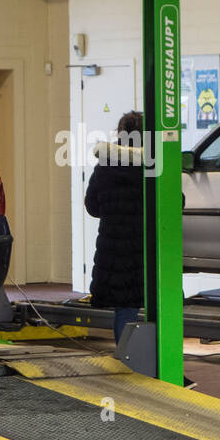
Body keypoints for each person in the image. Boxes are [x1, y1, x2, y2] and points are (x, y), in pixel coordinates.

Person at [84, 111, 146, 343]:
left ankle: (126, 360)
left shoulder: (105, 166)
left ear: (121, 133)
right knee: (158, 305)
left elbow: (92, 207)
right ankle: (160, 360)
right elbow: (175, 203)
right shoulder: (156, 165)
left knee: (125, 309)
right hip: (147, 249)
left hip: (115, 251)